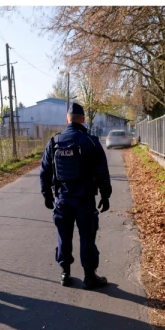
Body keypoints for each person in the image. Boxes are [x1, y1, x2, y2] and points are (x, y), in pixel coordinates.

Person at [39, 102, 112, 289]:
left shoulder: (54, 142)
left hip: (62, 199)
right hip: (85, 200)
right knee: (87, 237)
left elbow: (45, 170)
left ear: (67, 120)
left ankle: (65, 273)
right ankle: (89, 276)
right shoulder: (90, 142)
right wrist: (105, 195)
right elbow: (102, 172)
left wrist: (46, 194)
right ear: (83, 120)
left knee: (64, 236)